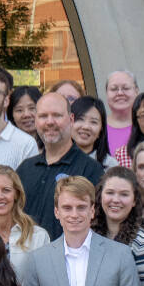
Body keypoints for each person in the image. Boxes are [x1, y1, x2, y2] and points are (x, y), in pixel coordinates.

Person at [16, 92, 100, 238]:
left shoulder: (90, 170)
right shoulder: (25, 169)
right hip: (25, 258)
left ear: (71, 119)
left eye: (57, 115)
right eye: (43, 116)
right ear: (36, 121)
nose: (50, 122)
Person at [103, 72, 138, 166]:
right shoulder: (98, 127)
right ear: (106, 93)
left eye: (126, 88)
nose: (120, 93)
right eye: (114, 89)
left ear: (136, 91)